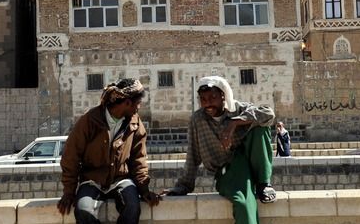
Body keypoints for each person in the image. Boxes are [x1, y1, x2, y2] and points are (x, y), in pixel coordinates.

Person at [163, 76, 277, 224]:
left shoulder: (238, 109)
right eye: (203, 99)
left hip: (250, 164)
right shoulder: (197, 120)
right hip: (228, 171)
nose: (208, 103)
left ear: (223, 96)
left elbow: (268, 114)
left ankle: (264, 184)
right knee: (243, 204)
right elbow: (193, 155)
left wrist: (233, 123)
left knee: (260, 128)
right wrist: (183, 187)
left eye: (212, 97)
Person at [57, 78, 161, 224]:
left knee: (132, 207)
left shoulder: (135, 123)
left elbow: (138, 159)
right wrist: (69, 192)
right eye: (137, 104)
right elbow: (71, 157)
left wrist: (144, 190)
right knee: (83, 211)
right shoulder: (90, 120)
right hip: (92, 180)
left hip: (121, 179)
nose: (138, 108)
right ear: (127, 103)